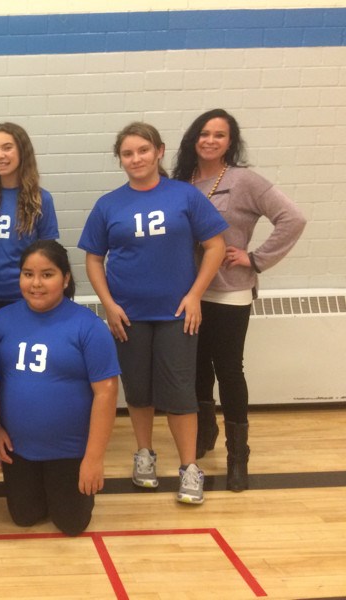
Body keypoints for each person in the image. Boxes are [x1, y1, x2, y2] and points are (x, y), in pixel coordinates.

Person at [78, 122, 227, 505]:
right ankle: (144, 454)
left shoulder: (184, 196)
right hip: (129, 316)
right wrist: (109, 304)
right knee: (139, 390)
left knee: (180, 393)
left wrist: (195, 295)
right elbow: (93, 258)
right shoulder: (109, 204)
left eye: (143, 150)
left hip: (177, 314)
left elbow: (215, 246)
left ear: (159, 151)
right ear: (120, 159)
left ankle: (189, 467)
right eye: (127, 153)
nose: (136, 159)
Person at [173, 109, 306, 491]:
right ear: (193, 139)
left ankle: (237, 455)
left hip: (229, 290)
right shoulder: (181, 182)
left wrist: (256, 258)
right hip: (189, 292)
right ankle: (205, 432)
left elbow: (292, 218)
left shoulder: (244, 180)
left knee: (229, 369)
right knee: (197, 368)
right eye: (204, 133)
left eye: (219, 135)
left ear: (230, 142)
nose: (210, 141)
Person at [0, 241, 119, 535]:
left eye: (47, 274)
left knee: (72, 525)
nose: (36, 283)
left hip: (70, 450)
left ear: (66, 278)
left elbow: (106, 393)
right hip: (18, 449)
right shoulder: (1, 321)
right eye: (28, 274)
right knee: (24, 517)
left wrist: (94, 458)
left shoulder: (88, 326)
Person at [0, 123, 59, 322]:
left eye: (7, 148)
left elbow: (49, 259)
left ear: (22, 151)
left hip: (30, 299)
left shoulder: (41, 200)